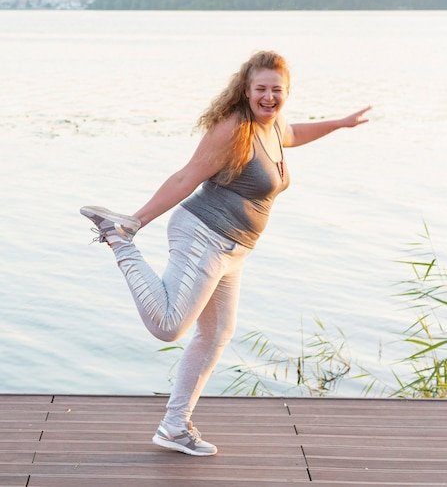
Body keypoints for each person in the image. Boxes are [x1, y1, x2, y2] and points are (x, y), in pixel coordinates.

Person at [80, 50, 371, 457]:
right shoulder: (235, 128)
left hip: (234, 248)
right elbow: (187, 175)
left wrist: (339, 124)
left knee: (216, 333)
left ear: (285, 92)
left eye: (277, 90)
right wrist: (136, 221)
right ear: (246, 90)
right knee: (169, 326)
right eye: (261, 90)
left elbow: (294, 134)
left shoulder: (272, 127)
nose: (269, 97)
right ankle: (119, 239)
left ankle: (174, 427)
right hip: (204, 234)